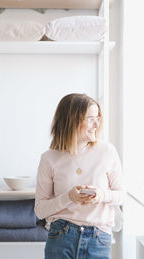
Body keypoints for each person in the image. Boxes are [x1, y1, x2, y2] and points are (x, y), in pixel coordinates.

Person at [34, 93, 125, 259]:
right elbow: (40, 210)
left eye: (98, 117)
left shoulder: (107, 152)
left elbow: (121, 196)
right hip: (60, 236)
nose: (97, 124)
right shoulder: (49, 158)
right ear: (72, 121)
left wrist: (101, 195)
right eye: (91, 118)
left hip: (98, 239)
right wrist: (69, 197)